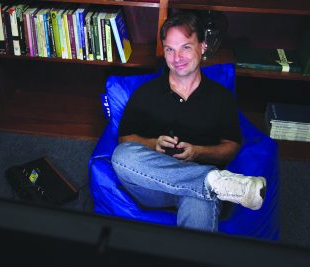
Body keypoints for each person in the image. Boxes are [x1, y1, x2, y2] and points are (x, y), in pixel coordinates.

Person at [111, 11, 266, 232]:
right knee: (122, 156)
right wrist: (152, 144)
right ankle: (214, 182)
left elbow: (231, 146)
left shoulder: (220, 97)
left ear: (202, 47)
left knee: (201, 201)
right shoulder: (146, 93)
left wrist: (197, 152)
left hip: (199, 187)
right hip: (153, 183)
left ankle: (209, 183)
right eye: (170, 50)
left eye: (185, 47)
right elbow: (125, 137)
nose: (177, 58)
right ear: (163, 52)